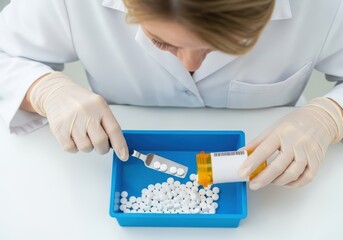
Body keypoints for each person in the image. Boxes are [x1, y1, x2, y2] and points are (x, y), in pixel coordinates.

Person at [0, 0, 343, 190]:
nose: (190, 64)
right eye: (161, 42)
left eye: (225, 47)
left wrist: (330, 115)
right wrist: (42, 88)